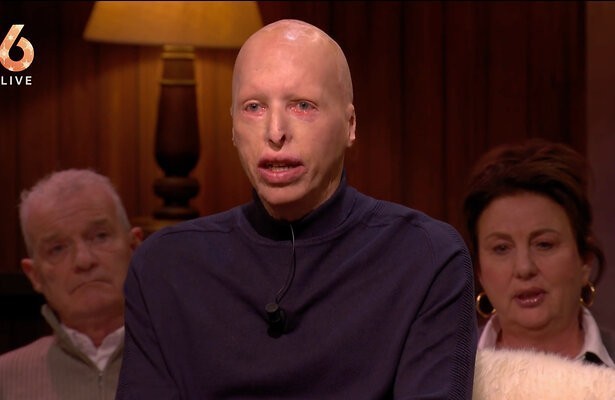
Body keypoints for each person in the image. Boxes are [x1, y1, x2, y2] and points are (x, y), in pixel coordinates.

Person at [116, 19, 477, 399]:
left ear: (350, 125)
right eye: (254, 107)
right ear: (233, 127)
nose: (275, 132)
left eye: (303, 106)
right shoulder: (165, 267)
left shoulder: (426, 258)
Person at [462, 138, 615, 366]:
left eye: (544, 244)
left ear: (585, 260)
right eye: (501, 248)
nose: (524, 268)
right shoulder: (445, 371)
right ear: (479, 271)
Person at [0, 169, 143, 400]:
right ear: (34, 275)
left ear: (134, 248)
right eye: (57, 249)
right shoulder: (5, 380)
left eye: (100, 236)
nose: (84, 260)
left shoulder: (191, 359)